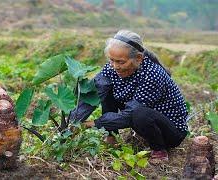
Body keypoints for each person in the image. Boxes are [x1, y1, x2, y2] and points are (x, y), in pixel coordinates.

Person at [69, 29, 188, 164]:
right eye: (111, 60)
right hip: (143, 123)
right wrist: (73, 121)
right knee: (106, 88)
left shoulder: (152, 74)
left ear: (138, 58)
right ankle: (111, 137)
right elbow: (93, 93)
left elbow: (130, 115)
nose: (115, 66)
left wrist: (91, 124)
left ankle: (159, 151)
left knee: (139, 113)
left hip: (170, 131)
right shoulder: (112, 67)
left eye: (121, 62)